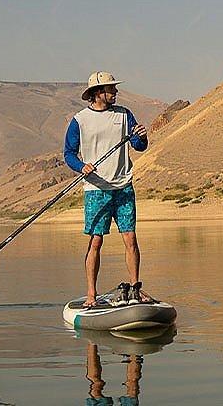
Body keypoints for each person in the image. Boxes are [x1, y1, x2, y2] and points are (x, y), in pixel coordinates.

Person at [63, 71, 149, 307]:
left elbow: (139, 145)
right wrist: (82, 166)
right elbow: (68, 153)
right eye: (111, 89)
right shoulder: (79, 120)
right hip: (95, 189)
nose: (116, 92)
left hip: (123, 186)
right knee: (96, 241)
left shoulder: (124, 115)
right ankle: (91, 294)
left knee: (130, 238)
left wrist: (141, 137)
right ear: (97, 93)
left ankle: (135, 288)